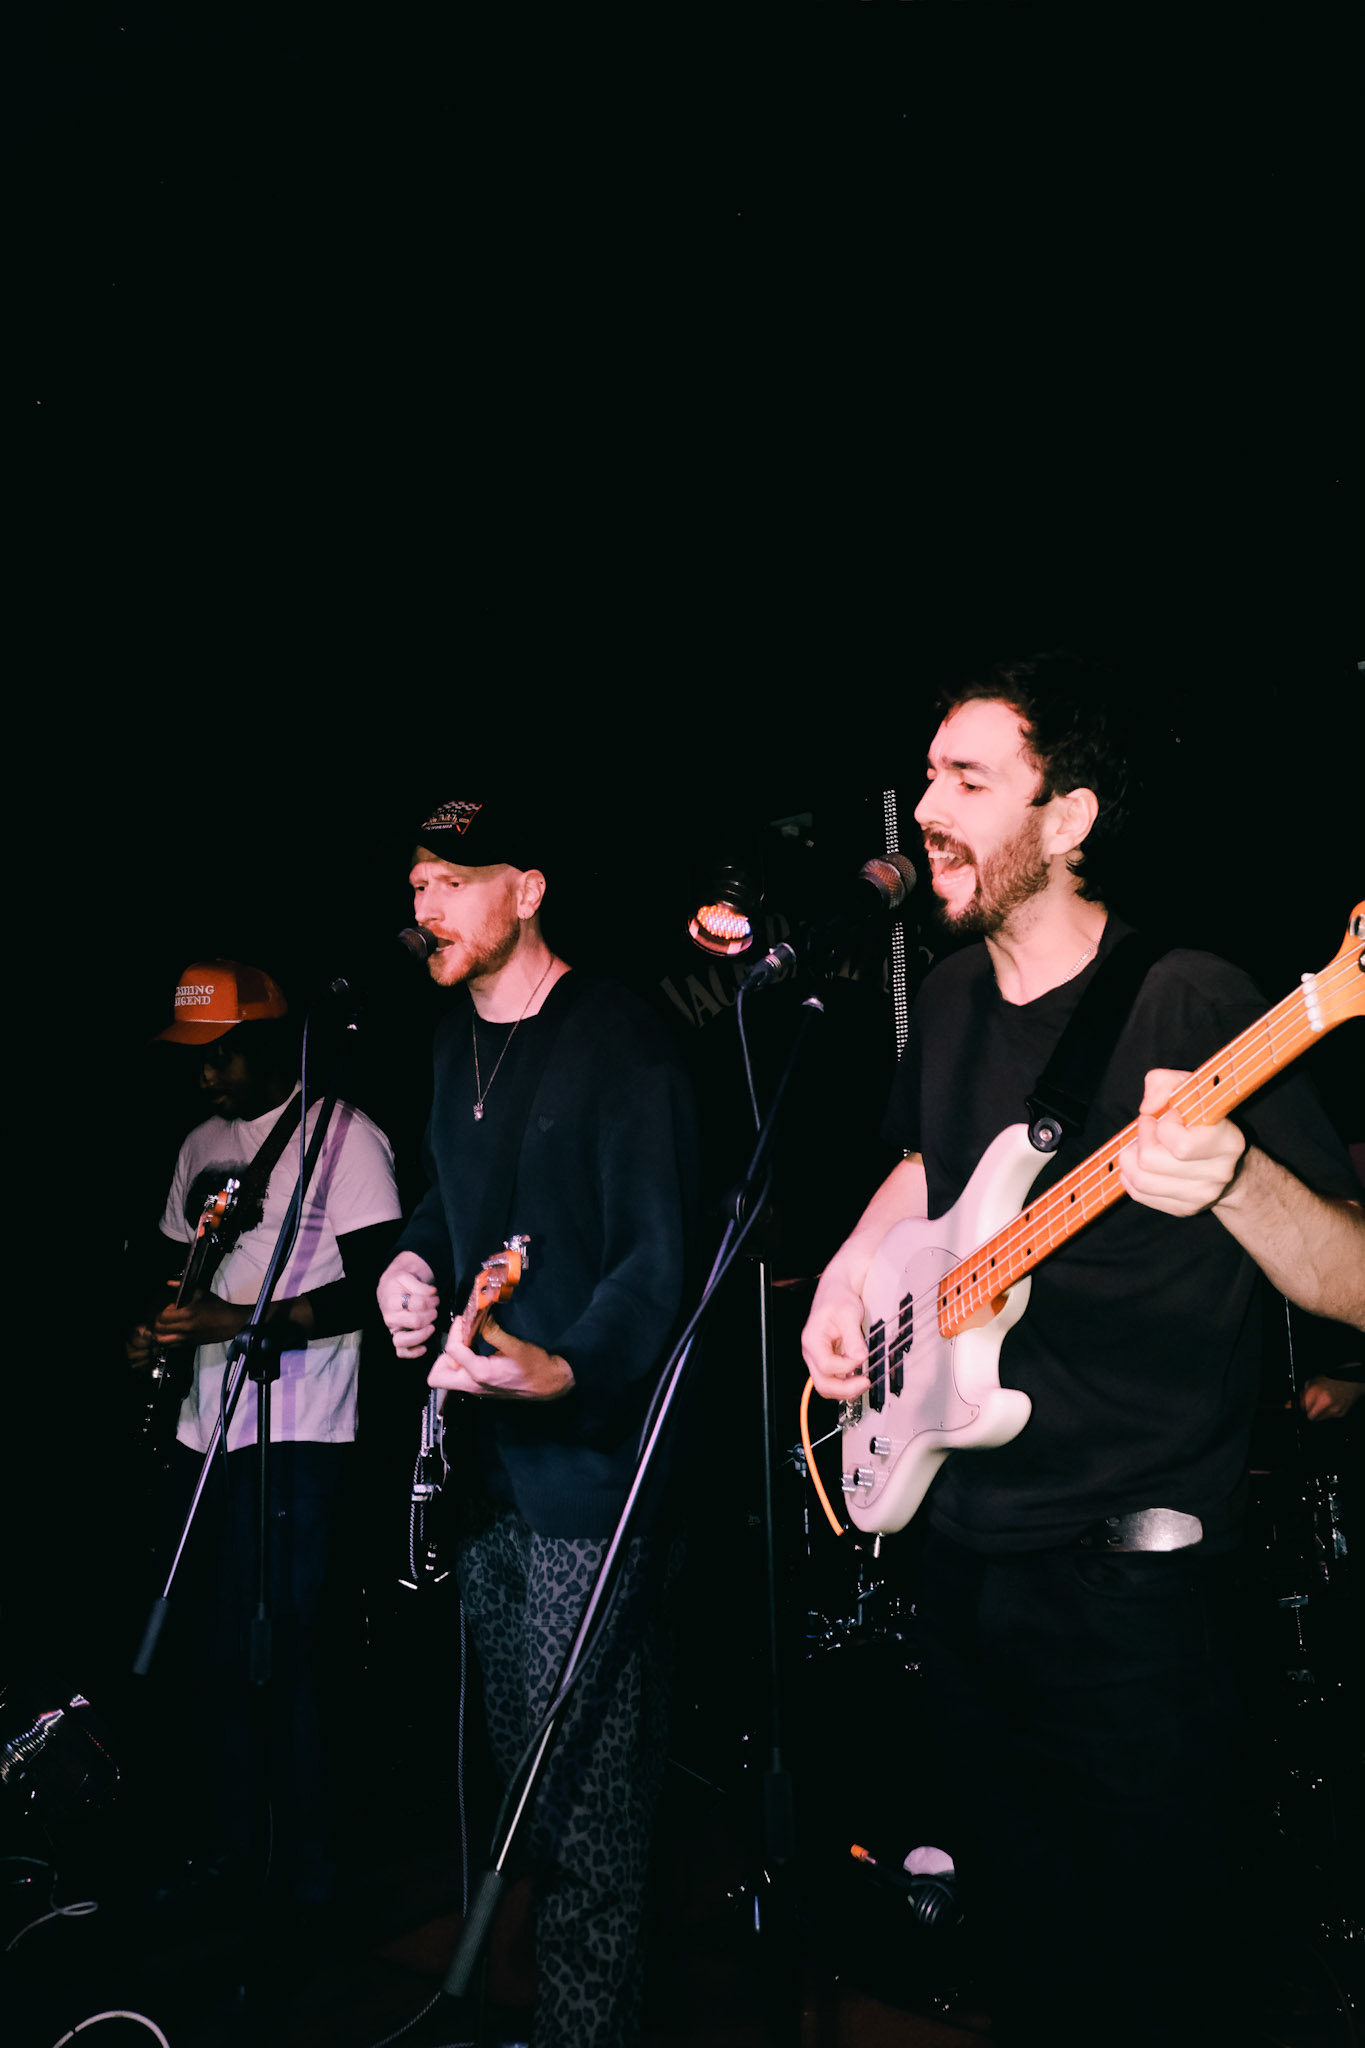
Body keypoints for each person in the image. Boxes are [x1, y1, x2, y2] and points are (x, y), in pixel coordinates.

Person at [800, 657, 1365, 2048]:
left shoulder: (1190, 999)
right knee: (1029, 1973)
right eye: (927, 776)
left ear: (1068, 819)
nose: (927, 809)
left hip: (1136, 1601)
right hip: (963, 1563)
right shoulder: (944, 1000)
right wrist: (852, 1271)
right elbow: (926, 1172)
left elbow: (1352, 1280)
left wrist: (1236, 1179)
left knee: (1158, 1988)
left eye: (968, 780)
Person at [376, 795, 700, 2048]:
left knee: (590, 1806)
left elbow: (656, 1264)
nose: (428, 906)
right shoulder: (449, 1041)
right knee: (528, 1794)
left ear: (528, 888)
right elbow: (441, 1205)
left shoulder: (618, 1038)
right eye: (418, 883)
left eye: (455, 880)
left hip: (592, 1481)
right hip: (488, 1476)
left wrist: (565, 1370)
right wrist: (411, 1265)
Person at [127, 958, 402, 1904]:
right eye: (197, 1057)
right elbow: (175, 1273)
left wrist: (241, 1323)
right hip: (204, 1430)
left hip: (301, 1429)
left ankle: (310, 1867)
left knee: (284, 1649)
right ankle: (232, 1852)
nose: (207, 1073)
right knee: (209, 1648)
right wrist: (155, 1327)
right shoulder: (199, 1143)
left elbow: (375, 1291)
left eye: (224, 1054)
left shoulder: (343, 1137)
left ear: (275, 1044)